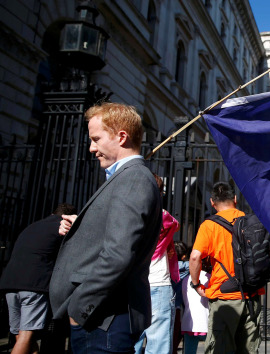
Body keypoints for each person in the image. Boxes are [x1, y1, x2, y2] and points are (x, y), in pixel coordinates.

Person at [49, 102, 162, 353]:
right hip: (102, 318)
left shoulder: (133, 178)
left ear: (121, 137)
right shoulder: (127, 178)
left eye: (96, 139)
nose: (92, 148)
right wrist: (83, 226)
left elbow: (119, 254)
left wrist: (80, 307)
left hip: (103, 318)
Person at [189, 182, 264, 353]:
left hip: (224, 295)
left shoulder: (209, 226)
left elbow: (194, 257)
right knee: (248, 348)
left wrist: (196, 285)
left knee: (221, 347)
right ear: (235, 199)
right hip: (252, 295)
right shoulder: (250, 221)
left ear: (212, 202)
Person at [0, 203, 76, 354]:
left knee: (20, 334)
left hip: (10, 284)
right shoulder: (62, 228)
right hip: (34, 285)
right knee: (27, 335)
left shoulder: (33, 226)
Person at [134, 174, 179, 354]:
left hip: (132, 282)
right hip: (158, 282)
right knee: (159, 344)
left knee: (130, 341)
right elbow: (174, 223)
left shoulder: (126, 215)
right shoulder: (163, 217)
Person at [182, 254, 211, 354]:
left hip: (189, 322)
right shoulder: (209, 278)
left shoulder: (185, 280)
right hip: (206, 321)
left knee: (189, 351)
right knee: (210, 349)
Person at [172, 241, 189, 353]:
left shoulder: (167, 265)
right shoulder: (186, 267)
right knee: (176, 333)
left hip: (163, 302)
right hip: (178, 305)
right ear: (183, 255)